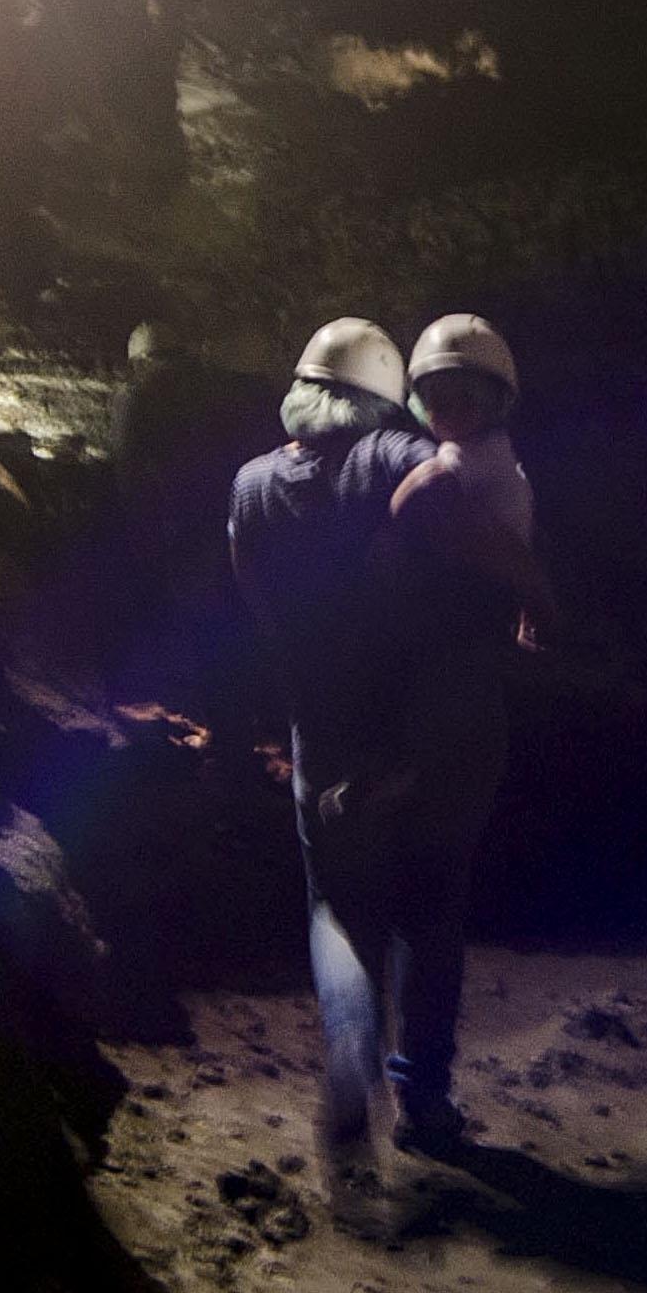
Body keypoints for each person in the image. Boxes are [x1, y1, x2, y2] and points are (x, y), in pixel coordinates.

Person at [227, 318, 433, 1173]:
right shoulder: (384, 454)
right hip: (407, 717)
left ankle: (351, 1056)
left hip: (319, 718)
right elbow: (450, 478)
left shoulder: (251, 482)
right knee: (421, 903)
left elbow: (250, 587)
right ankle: (424, 1082)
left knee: (334, 907)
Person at [368, 312, 554, 1152]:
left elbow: (454, 522)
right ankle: (417, 1087)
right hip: (437, 698)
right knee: (427, 901)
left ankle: (412, 1082)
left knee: (424, 898)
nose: (446, 403)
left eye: (462, 391)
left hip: (443, 696)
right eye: (434, 392)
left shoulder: (472, 469)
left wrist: (533, 599)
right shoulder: (475, 465)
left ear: (497, 396)